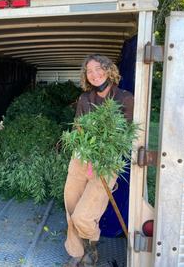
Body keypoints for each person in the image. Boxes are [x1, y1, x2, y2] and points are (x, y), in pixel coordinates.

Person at [63, 54, 134, 267]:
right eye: (89, 71)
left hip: (106, 163)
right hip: (81, 159)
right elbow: (78, 128)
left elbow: (128, 134)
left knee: (83, 216)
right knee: (71, 206)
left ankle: (92, 248)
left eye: (97, 69)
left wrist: (103, 149)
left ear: (108, 69)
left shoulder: (125, 98)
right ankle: (77, 252)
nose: (94, 74)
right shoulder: (85, 99)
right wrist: (82, 145)